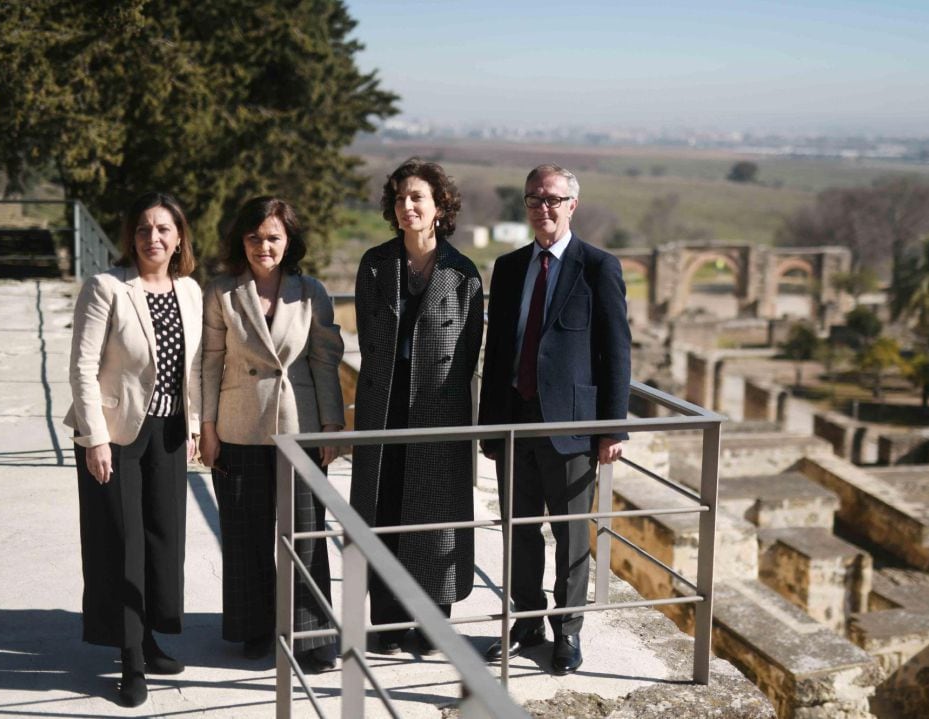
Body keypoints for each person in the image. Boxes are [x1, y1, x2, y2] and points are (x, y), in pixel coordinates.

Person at [479, 164, 631, 675]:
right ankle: (526, 622)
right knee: (518, 530)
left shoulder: (598, 267)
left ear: (572, 205)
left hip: (572, 427)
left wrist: (613, 427)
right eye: (533, 199)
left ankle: (567, 633)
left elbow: (616, 353)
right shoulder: (508, 267)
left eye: (552, 199)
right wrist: (489, 426)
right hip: (514, 421)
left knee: (569, 537)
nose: (542, 208)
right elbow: (496, 351)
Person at [65, 192, 203, 707]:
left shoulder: (189, 290)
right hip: (117, 434)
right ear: (131, 237)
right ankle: (130, 660)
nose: (153, 238)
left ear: (179, 238)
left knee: (162, 542)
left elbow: (193, 368)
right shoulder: (106, 287)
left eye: (164, 229)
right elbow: (82, 367)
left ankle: (148, 635)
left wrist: (193, 425)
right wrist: (94, 436)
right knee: (121, 546)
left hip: (169, 432)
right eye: (144, 229)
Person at [200, 197, 344, 674]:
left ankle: (314, 635)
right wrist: (206, 426)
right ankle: (256, 628)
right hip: (239, 426)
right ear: (241, 241)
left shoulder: (311, 292)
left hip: (299, 428)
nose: (264, 246)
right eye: (255, 237)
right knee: (246, 534)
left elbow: (325, 361)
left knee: (306, 535)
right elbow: (210, 362)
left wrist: (330, 426)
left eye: (274, 237)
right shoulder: (221, 291)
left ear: (290, 241)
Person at [351, 158, 484, 654]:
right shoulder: (374, 264)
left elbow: (468, 352)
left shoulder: (462, 274)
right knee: (383, 511)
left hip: (439, 409)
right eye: (400, 198)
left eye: (418, 198)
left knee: (436, 519)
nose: (407, 206)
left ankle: (432, 625)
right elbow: (368, 339)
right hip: (384, 405)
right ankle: (385, 623)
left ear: (439, 207)